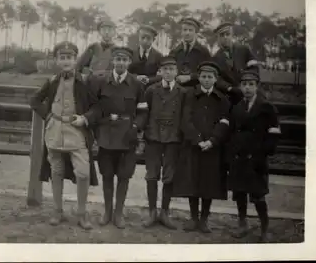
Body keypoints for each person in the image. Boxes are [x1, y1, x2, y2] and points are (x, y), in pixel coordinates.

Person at [30, 41, 100, 230]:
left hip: (77, 132)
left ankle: (81, 213)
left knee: (83, 173)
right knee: (56, 171)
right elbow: (35, 100)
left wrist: (85, 118)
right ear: (57, 60)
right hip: (55, 131)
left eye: (70, 57)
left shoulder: (85, 81)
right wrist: (48, 115)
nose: (66, 61)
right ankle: (58, 211)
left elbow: (97, 107)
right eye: (62, 57)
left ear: (75, 60)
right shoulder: (52, 81)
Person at [90, 45, 148, 229]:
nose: (121, 63)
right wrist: (97, 130)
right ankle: (107, 211)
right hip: (106, 135)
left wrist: (135, 126)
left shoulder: (137, 85)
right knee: (107, 175)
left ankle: (118, 213)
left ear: (129, 62)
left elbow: (143, 112)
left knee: (124, 176)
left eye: (124, 60)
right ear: (113, 61)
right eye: (118, 59)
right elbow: (95, 108)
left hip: (127, 137)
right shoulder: (101, 82)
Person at [173, 61, 231, 233]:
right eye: (203, 77)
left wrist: (212, 140)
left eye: (210, 77)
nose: (206, 80)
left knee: (208, 183)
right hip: (193, 146)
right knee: (193, 181)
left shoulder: (222, 99)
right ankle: (193, 218)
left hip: (212, 148)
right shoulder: (190, 95)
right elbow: (186, 120)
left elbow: (224, 122)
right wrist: (197, 140)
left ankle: (204, 219)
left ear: (216, 79)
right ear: (199, 78)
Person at [226, 69, 281, 243]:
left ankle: (265, 228)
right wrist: (232, 154)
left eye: (251, 85)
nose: (247, 88)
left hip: (256, 159)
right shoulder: (237, 108)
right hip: (239, 158)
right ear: (240, 87)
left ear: (257, 87)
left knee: (258, 196)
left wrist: (264, 153)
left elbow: (273, 133)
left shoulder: (266, 107)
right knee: (240, 194)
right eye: (244, 85)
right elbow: (232, 132)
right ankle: (243, 224)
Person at [142, 55, 188, 229]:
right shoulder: (151, 90)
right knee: (151, 175)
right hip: (153, 138)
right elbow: (145, 114)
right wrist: (144, 135)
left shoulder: (183, 92)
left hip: (173, 139)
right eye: (165, 70)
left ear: (176, 72)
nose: (168, 73)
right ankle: (152, 212)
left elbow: (184, 117)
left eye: (171, 70)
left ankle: (165, 212)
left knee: (169, 176)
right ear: (160, 72)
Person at [211, 22, 260, 105]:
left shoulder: (244, 49)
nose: (225, 37)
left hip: (248, 88)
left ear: (232, 35)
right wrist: (229, 88)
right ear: (218, 38)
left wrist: (246, 83)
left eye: (227, 34)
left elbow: (254, 67)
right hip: (229, 93)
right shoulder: (216, 57)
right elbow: (216, 78)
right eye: (222, 35)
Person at [169, 17, 212, 87]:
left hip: (196, 90)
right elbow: (169, 69)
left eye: (190, 30)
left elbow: (209, 72)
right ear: (181, 32)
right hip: (177, 89)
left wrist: (190, 77)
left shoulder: (203, 51)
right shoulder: (175, 51)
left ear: (195, 32)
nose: (187, 33)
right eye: (185, 30)